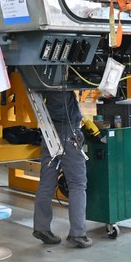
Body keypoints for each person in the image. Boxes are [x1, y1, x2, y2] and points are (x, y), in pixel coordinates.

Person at [32, 90, 92, 248]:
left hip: (49, 135)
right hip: (68, 134)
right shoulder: (59, 80)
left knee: (46, 183)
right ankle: (78, 234)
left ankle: (41, 227)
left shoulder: (41, 82)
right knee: (77, 184)